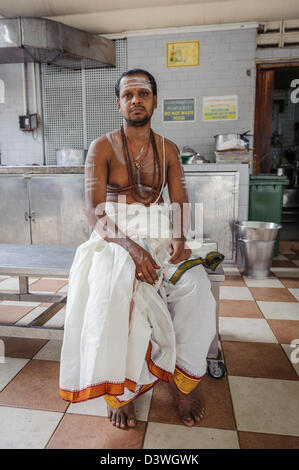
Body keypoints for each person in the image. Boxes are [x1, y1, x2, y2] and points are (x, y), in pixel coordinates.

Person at [59, 68, 224, 429]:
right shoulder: (101, 147)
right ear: (118, 103)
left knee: (196, 290)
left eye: (143, 94)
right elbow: (94, 211)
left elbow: (179, 200)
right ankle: (122, 393)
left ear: (154, 101)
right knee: (113, 289)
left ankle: (183, 383)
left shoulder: (169, 149)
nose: (136, 100)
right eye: (128, 95)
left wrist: (180, 235)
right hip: (114, 234)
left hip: (159, 227)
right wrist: (133, 250)